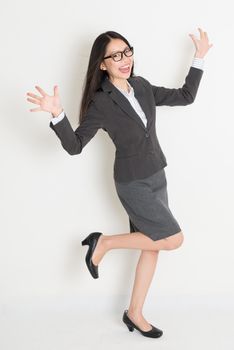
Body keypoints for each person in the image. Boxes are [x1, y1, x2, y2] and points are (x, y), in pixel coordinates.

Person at [26, 28, 212, 338]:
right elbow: (75, 146)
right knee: (172, 239)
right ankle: (105, 242)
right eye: (115, 56)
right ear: (102, 64)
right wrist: (58, 115)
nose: (124, 59)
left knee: (152, 247)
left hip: (157, 175)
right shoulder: (101, 102)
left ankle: (134, 313)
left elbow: (186, 96)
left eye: (127, 52)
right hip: (133, 183)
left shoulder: (140, 85)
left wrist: (200, 57)